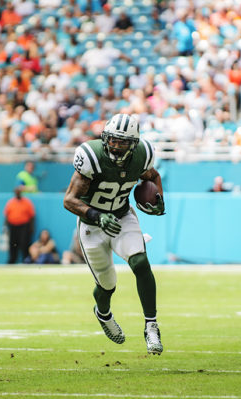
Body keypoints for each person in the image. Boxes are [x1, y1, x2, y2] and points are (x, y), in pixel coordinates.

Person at [63, 113, 166, 355]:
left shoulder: (142, 155)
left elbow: (154, 176)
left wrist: (159, 198)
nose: (115, 146)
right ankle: (103, 313)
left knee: (140, 262)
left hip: (122, 216)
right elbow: (69, 200)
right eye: (112, 140)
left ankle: (151, 326)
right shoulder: (92, 156)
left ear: (134, 145)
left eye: (122, 142)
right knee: (107, 285)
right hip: (92, 225)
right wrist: (97, 216)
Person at [4, 187, 36, 264]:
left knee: (24, 243)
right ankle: (12, 260)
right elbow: (6, 215)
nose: (18, 193)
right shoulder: (10, 202)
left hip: (24, 226)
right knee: (13, 244)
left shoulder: (27, 202)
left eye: (19, 192)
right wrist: (5, 226)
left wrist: (31, 227)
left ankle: (26, 260)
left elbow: (32, 216)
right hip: (13, 226)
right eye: (16, 192)